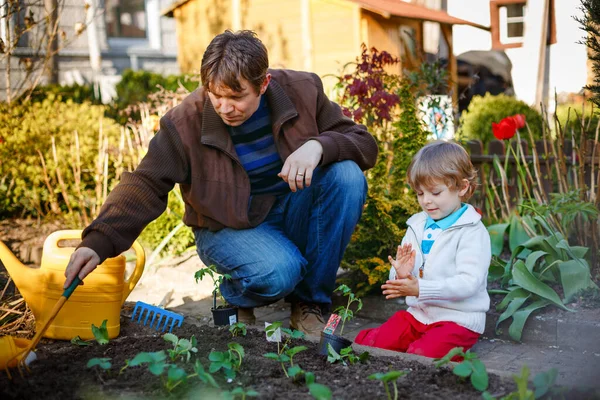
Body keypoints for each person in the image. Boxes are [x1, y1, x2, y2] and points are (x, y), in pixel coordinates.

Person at [63, 30, 378, 336]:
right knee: (280, 271)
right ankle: (239, 293)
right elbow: (145, 183)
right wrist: (99, 240)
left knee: (347, 177)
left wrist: (319, 146)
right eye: (216, 96)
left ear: (264, 83)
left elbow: (364, 143)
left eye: (237, 97)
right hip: (227, 227)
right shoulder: (184, 120)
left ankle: (309, 304)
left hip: (290, 208)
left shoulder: (303, 90)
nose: (225, 107)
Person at [354, 140, 490, 359]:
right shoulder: (417, 225)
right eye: (420, 193)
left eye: (435, 193)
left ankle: (431, 350)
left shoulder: (472, 231)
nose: (426, 201)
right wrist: (402, 274)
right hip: (418, 315)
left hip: (458, 321)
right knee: (374, 344)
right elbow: (407, 278)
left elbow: (468, 284)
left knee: (421, 356)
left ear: (462, 187)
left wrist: (419, 289)